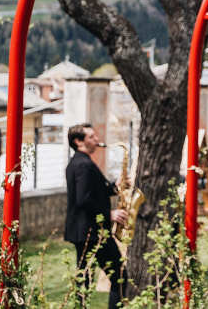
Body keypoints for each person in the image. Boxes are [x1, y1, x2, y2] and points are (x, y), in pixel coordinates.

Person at [65, 123, 129, 307]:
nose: (97, 140)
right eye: (91, 137)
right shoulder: (83, 165)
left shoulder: (78, 162)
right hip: (93, 232)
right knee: (119, 276)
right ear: (78, 141)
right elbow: (84, 199)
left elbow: (93, 192)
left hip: (85, 231)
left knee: (83, 280)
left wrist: (115, 187)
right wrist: (109, 214)